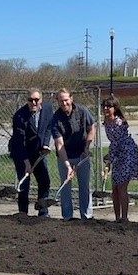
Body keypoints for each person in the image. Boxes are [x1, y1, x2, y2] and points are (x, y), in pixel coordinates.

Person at [50, 88, 96, 221]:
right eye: (61, 101)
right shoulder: (56, 119)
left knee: (85, 186)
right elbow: (59, 145)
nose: (64, 103)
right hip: (65, 156)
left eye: (66, 100)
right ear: (57, 101)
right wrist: (68, 166)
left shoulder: (82, 111)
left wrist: (87, 146)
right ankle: (67, 217)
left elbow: (91, 127)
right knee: (65, 186)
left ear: (71, 98)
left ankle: (86, 216)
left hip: (82, 155)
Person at [10, 87, 53, 216]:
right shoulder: (19, 116)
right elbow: (19, 142)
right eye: (30, 100)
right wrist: (27, 163)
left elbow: (49, 127)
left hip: (38, 152)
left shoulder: (47, 109)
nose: (34, 103)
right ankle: (23, 214)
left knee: (44, 181)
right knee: (25, 185)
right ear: (27, 100)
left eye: (36, 100)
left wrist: (45, 144)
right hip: (22, 153)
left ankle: (43, 211)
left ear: (41, 99)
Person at [102, 96, 138, 223]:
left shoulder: (119, 122)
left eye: (109, 106)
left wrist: (109, 161)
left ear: (115, 108)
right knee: (114, 188)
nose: (106, 109)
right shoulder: (106, 122)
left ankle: (124, 217)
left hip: (127, 154)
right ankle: (117, 217)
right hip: (117, 155)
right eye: (104, 106)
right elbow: (113, 144)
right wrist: (110, 159)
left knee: (121, 187)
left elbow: (117, 143)